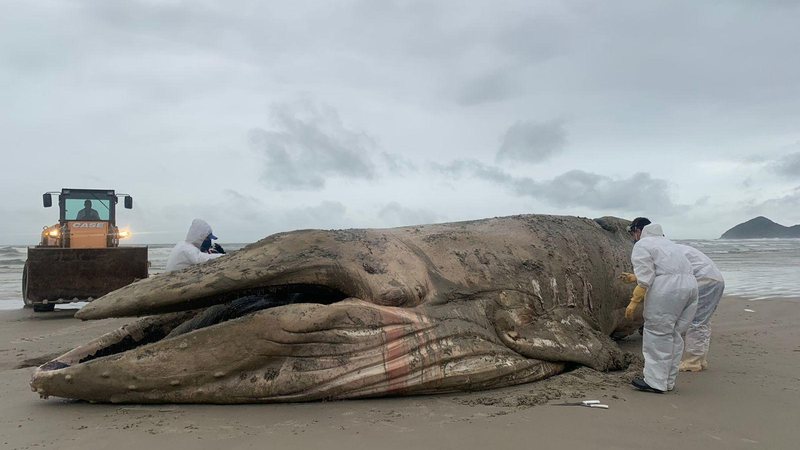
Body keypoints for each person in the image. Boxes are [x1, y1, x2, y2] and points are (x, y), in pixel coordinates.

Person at [619, 217, 698, 393]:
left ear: (638, 230)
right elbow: (666, 269)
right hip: (691, 287)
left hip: (668, 291)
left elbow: (646, 279)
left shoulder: (642, 245)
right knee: (675, 335)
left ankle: (655, 382)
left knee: (657, 334)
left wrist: (633, 302)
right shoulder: (668, 243)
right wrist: (634, 277)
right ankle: (668, 381)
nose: (633, 237)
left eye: (633, 233)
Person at [675, 243, 725, 372]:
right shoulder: (678, 248)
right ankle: (700, 360)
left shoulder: (667, 253)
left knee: (696, 321)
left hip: (704, 280)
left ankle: (693, 362)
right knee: (704, 321)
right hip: (715, 279)